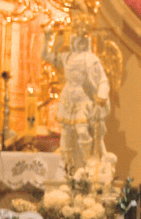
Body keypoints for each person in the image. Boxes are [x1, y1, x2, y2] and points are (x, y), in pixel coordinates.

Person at [42, 25, 116, 176]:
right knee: (66, 134)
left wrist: (101, 97)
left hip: (84, 98)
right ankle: (68, 168)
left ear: (87, 42)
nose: (81, 44)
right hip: (68, 99)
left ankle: (89, 160)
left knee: (82, 129)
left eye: (84, 41)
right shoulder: (66, 57)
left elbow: (103, 80)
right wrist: (47, 38)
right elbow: (45, 56)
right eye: (78, 41)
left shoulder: (92, 59)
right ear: (74, 41)